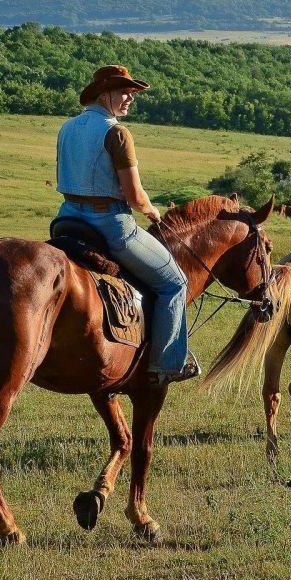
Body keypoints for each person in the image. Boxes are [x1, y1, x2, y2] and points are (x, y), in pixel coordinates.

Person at [55, 65, 199, 386]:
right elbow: (134, 195)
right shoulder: (117, 132)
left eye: (132, 93)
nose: (130, 98)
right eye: (125, 92)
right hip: (110, 224)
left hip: (66, 220)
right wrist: (152, 212)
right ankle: (168, 364)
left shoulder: (67, 127)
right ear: (104, 93)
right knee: (175, 283)